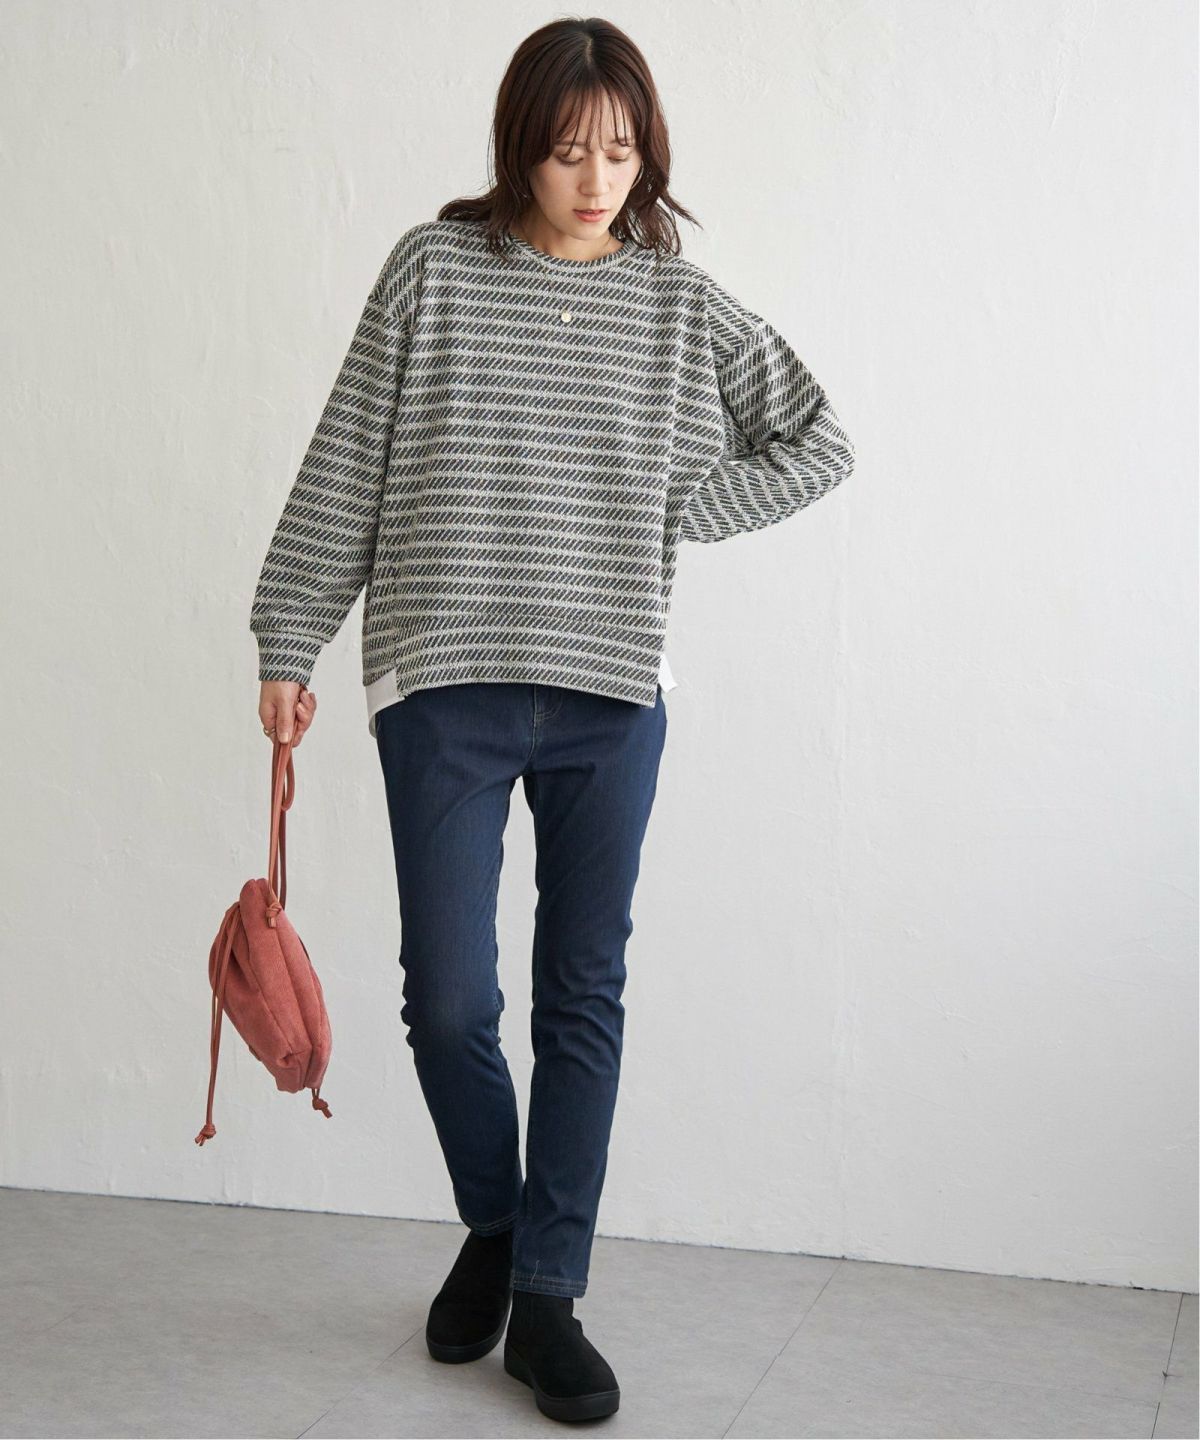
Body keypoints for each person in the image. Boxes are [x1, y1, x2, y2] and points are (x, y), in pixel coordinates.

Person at [250, 16, 855, 1425]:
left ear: (650, 159)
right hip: (443, 687)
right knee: (451, 1001)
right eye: (571, 149)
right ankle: (500, 1222)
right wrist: (289, 631)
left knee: (583, 995)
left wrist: (676, 508)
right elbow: (347, 460)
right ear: (520, 144)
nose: (596, 180)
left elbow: (818, 439)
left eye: (622, 153)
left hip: (608, 704)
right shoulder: (434, 271)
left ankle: (548, 1298)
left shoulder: (678, 305)